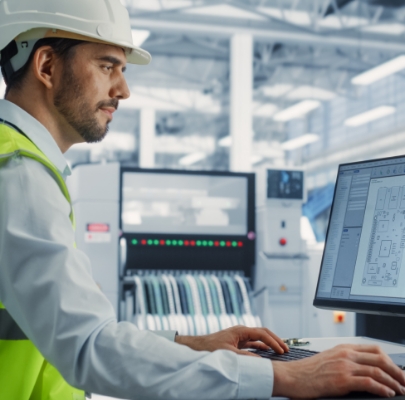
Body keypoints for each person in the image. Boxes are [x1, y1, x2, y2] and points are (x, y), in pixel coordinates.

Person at [0, 1, 404, 399]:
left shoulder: (25, 166)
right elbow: (89, 346)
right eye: (107, 66)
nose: (123, 89)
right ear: (47, 66)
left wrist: (190, 344)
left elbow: (69, 329)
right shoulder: (18, 172)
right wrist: (286, 377)